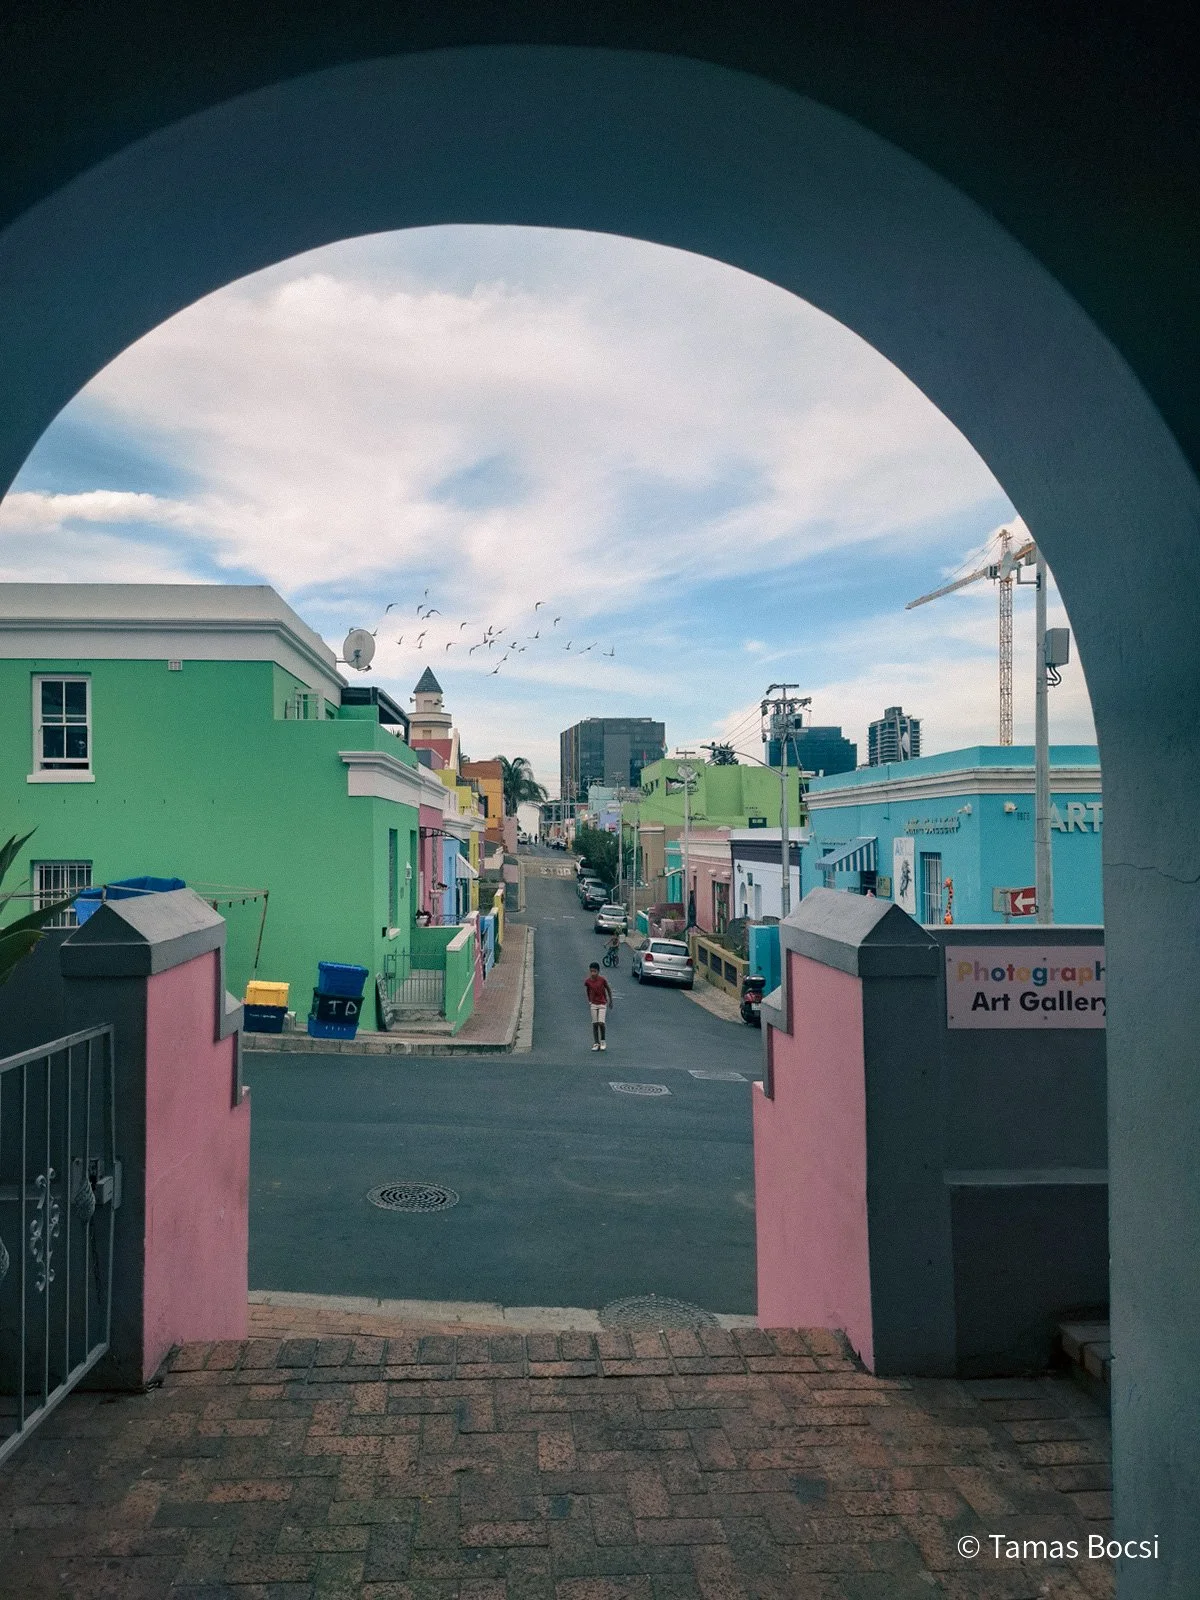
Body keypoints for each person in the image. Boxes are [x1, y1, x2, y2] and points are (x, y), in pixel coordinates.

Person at [584, 961, 614, 1051]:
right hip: (593, 1004)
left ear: (598, 971)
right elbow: (588, 991)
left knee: (601, 1023)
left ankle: (603, 1041)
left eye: (595, 971)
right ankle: (596, 1042)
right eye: (591, 971)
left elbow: (608, 989)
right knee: (595, 1023)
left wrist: (610, 1000)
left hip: (602, 1003)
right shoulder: (588, 981)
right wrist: (589, 1000)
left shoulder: (602, 980)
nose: (593, 973)